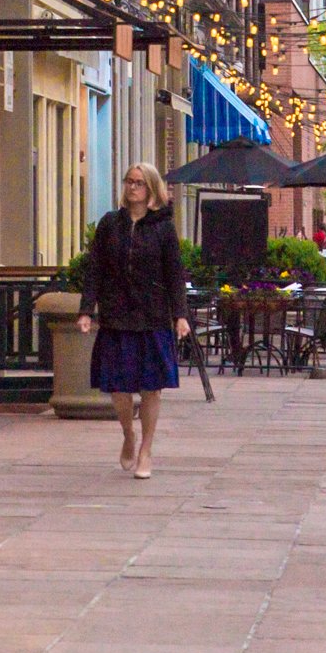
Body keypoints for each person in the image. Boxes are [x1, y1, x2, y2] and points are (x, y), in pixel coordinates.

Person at [77, 162, 190, 479]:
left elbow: (174, 275)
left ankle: (146, 450)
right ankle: (128, 433)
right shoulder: (110, 224)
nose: (132, 187)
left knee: (151, 389)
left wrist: (180, 315)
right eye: (129, 181)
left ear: (151, 188)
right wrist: (87, 309)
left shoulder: (163, 228)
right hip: (116, 315)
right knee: (118, 387)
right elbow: (95, 269)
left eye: (139, 182)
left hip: (152, 316)